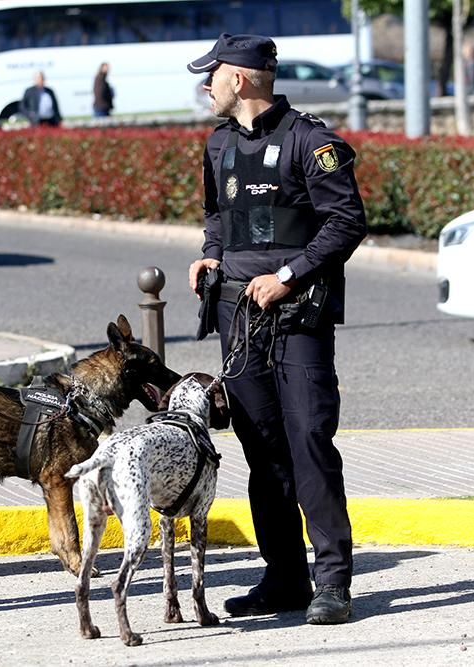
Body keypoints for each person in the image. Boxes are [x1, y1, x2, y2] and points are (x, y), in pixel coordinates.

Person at [186, 34, 367, 625]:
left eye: (210, 76)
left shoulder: (312, 142)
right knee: (262, 450)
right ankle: (284, 577)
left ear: (239, 79)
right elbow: (219, 216)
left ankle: (332, 583)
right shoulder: (218, 144)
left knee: (309, 441)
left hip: (297, 316)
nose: (204, 87)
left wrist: (289, 275)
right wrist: (210, 254)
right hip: (237, 318)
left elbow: (346, 222)